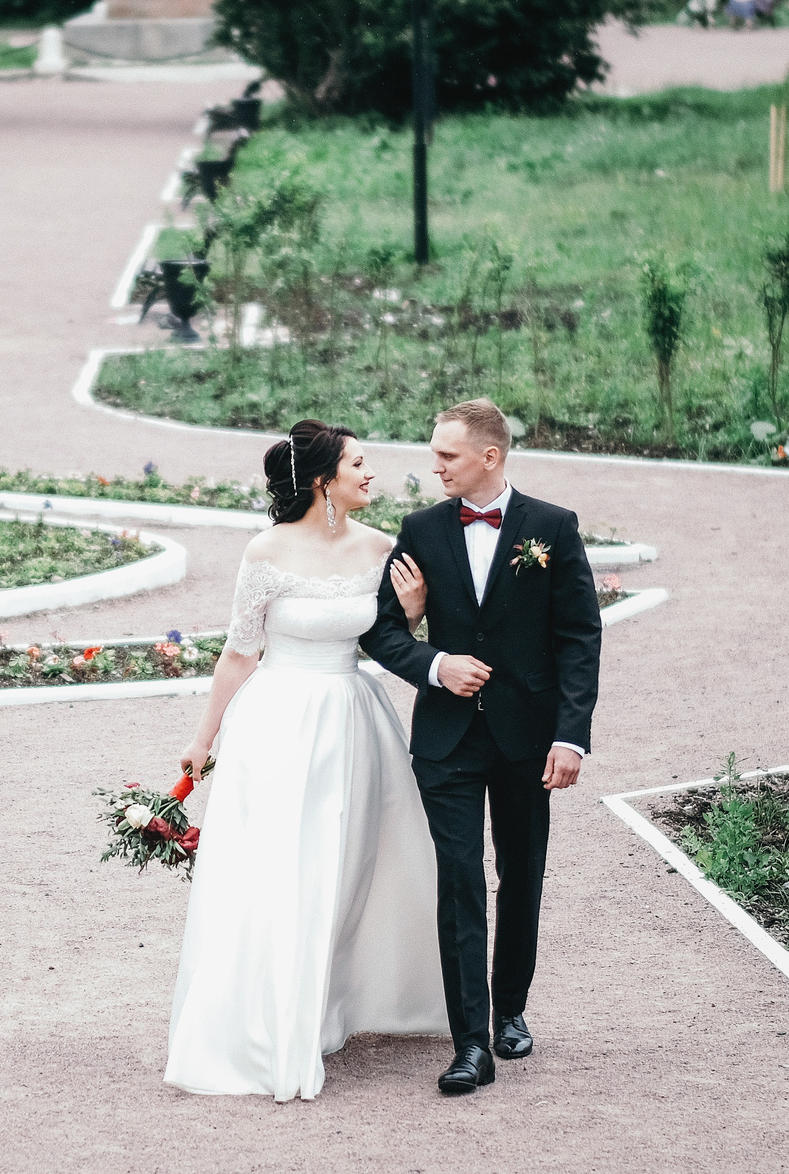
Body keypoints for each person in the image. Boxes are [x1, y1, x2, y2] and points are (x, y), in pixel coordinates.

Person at [165, 422, 446, 1102]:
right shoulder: (266, 550)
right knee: (283, 872)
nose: (371, 472)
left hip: (354, 723)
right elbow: (240, 651)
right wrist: (203, 740)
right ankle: (270, 1024)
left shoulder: (383, 548)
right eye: (358, 462)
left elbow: (389, 641)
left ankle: (325, 1007)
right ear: (324, 479)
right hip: (277, 725)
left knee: (345, 871)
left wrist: (411, 613)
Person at [358, 399, 602, 1097]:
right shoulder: (422, 530)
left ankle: (511, 1008)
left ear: (489, 457)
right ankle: (470, 1043)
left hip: (529, 739)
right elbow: (380, 631)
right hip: (447, 739)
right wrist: (437, 663)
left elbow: (579, 637)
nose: (434, 466)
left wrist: (570, 734)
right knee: (459, 880)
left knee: (521, 875)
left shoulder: (552, 528)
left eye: (447, 456)